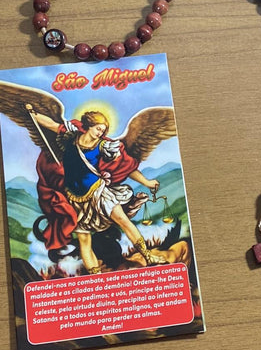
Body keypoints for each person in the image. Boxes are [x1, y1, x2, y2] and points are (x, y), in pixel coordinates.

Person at [26, 105, 166, 273]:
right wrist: (33, 113)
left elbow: (127, 168)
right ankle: (96, 275)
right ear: (89, 126)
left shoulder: (104, 146)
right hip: (75, 200)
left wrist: (147, 182)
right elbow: (51, 124)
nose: (101, 132)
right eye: (99, 128)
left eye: (103, 130)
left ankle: (148, 256)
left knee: (123, 221)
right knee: (84, 240)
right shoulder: (71, 136)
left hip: (99, 193)